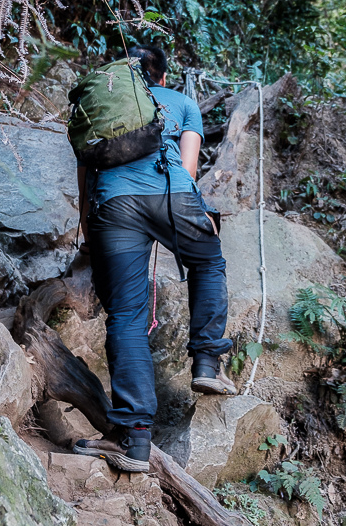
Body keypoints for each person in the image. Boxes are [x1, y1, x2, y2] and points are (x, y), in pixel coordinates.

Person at [72, 44, 235, 473]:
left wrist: (92, 236)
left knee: (126, 315)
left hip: (114, 206)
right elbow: (189, 168)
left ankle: (135, 442)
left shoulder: (100, 109)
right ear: (162, 77)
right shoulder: (182, 102)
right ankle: (206, 362)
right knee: (209, 261)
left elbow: (85, 184)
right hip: (172, 197)